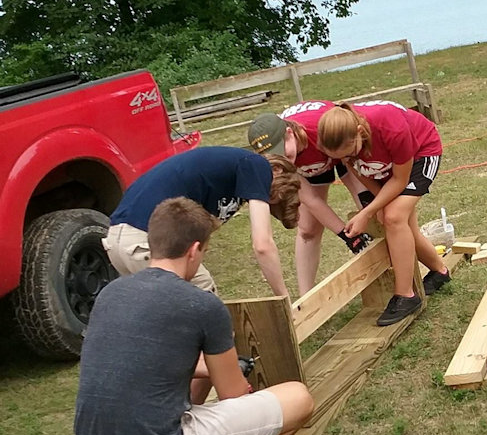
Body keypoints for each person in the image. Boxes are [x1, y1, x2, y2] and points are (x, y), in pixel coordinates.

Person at [75, 197, 313, 435]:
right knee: (298, 399)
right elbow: (232, 396)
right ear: (194, 250)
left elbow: (139, 361)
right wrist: (233, 371)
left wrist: (204, 367)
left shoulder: (111, 293)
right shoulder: (202, 305)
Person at [103, 146, 301, 299]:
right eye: (271, 192)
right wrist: (283, 297)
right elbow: (262, 245)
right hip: (142, 241)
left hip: (117, 242)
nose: (262, 197)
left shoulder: (226, 180)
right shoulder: (255, 164)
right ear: (276, 169)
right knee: (203, 295)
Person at [317, 101, 448, 326]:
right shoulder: (344, 140)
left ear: (359, 132)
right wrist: (378, 204)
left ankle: (406, 295)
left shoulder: (390, 127)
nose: (347, 157)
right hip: (383, 164)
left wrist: (368, 212)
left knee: (394, 217)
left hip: (421, 154)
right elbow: (358, 169)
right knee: (398, 221)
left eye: (350, 152)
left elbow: (400, 179)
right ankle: (440, 271)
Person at [248, 102, 373, 296]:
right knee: (308, 229)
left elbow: (351, 166)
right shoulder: (282, 160)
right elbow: (311, 200)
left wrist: (366, 207)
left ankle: (396, 267)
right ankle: (306, 299)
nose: (283, 159)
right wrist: (346, 235)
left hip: (339, 150)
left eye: (284, 152)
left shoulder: (320, 129)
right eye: (275, 157)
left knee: (368, 206)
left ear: (290, 133)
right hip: (310, 167)